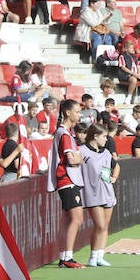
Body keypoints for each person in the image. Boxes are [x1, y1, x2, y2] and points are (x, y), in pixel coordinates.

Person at [49, 98, 86, 268]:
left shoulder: (65, 133)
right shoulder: (64, 134)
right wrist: (79, 159)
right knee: (77, 218)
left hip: (66, 179)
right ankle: (67, 257)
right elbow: (72, 160)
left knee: (66, 219)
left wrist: (78, 158)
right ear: (68, 113)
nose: (79, 114)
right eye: (77, 111)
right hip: (67, 179)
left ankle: (64, 255)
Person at [79, 124, 117, 267]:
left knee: (105, 226)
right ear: (95, 136)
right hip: (92, 193)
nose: (106, 140)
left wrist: (114, 178)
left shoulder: (106, 152)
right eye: (104, 136)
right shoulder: (82, 151)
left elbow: (116, 166)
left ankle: (99, 255)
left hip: (107, 191)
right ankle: (93, 256)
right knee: (100, 225)